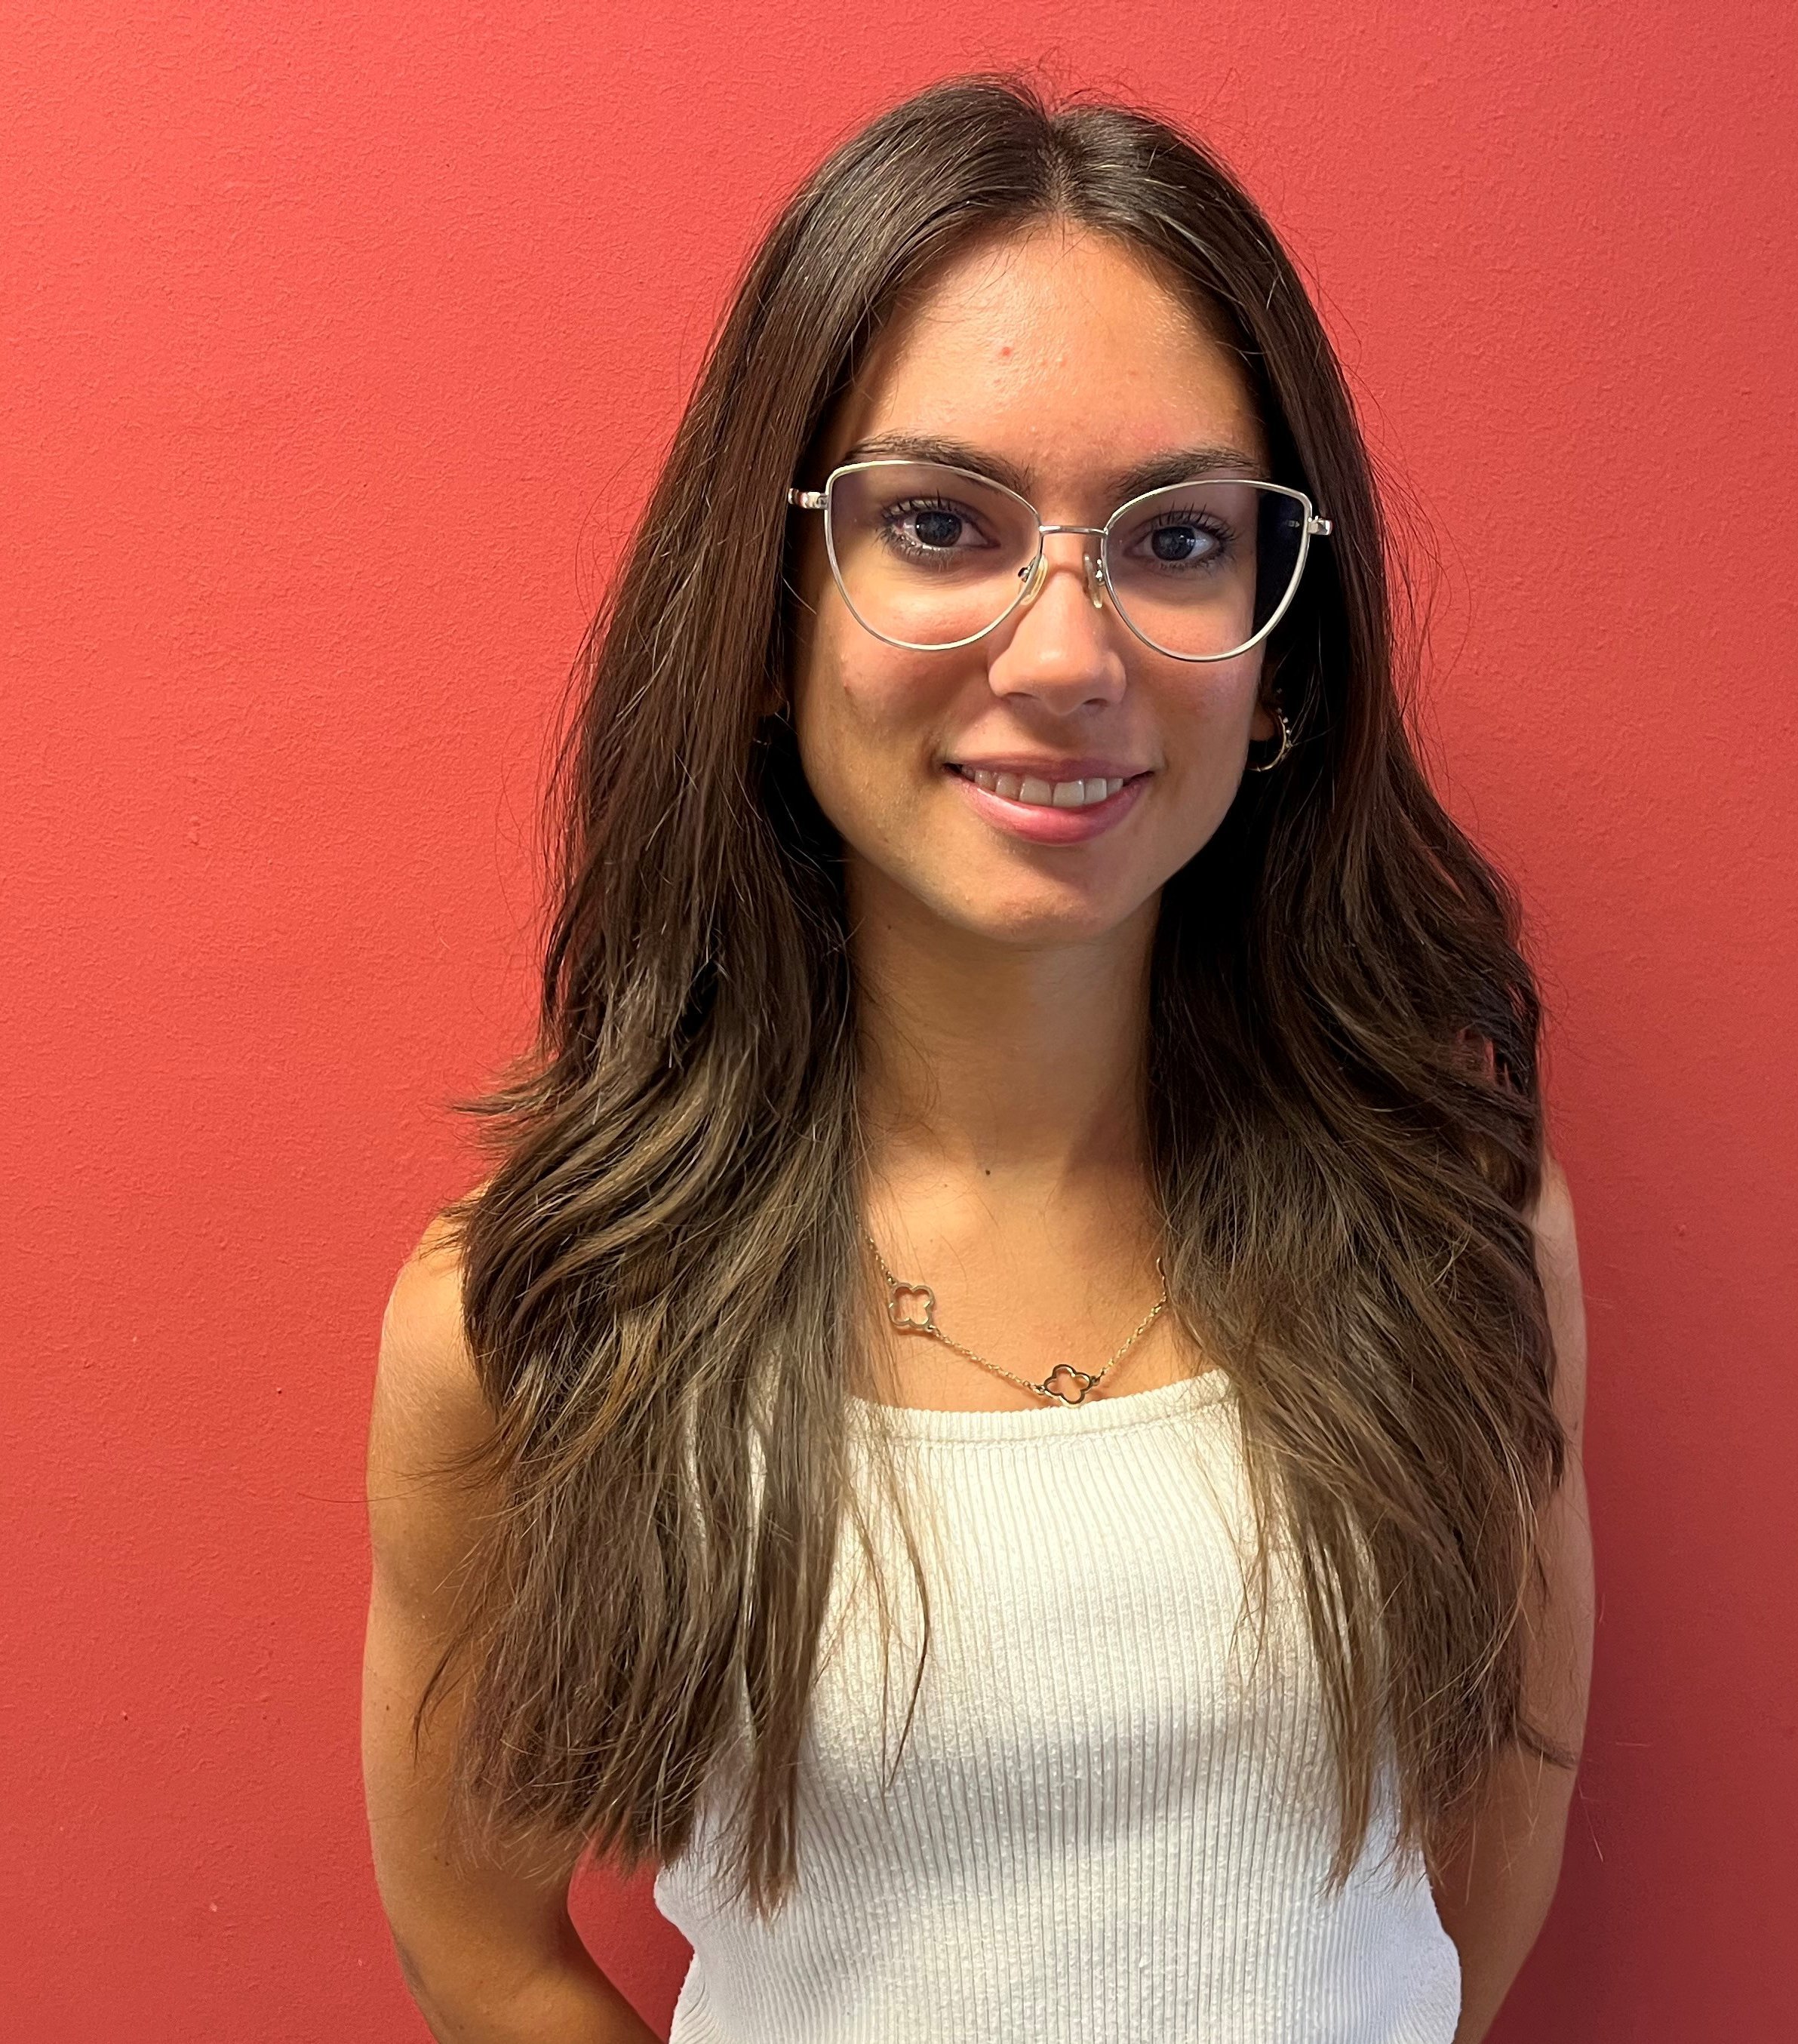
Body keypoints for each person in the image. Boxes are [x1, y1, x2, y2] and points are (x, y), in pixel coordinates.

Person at [362, 72, 1593, 2044]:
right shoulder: (540, 1317)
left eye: (1176, 540)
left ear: (1282, 662)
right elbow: (483, 1948)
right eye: (939, 523)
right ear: (769, 617)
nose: (1066, 656)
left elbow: (1490, 1853)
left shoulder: (1460, 1234)